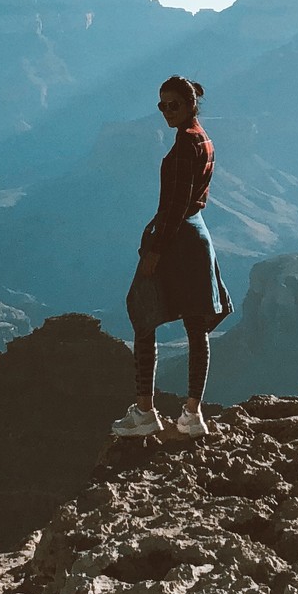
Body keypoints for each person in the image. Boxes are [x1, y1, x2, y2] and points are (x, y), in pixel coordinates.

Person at [111, 74, 231, 438]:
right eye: (162, 105)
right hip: (198, 237)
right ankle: (192, 415)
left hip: (178, 241)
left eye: (174, 105)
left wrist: (155, 251)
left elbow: (176, 206)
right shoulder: (203, 139)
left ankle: (146, 412)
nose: (166, 111)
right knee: (196, 328)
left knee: (143, 316)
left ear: (192, 104)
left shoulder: (184, 148)